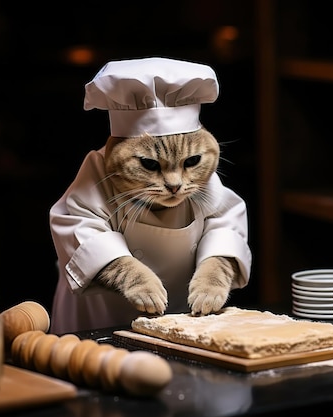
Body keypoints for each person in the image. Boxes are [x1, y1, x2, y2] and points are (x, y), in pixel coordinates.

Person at [49, 57, 252, 333]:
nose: (174, 183)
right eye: (150, 164)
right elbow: (78, 229)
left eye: (190, 162)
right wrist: (129, 277)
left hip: (181, 327)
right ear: (115, 149)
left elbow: (227, 225)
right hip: (100, 327)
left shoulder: (205, 182)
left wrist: (217, 273)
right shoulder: (97, 175)